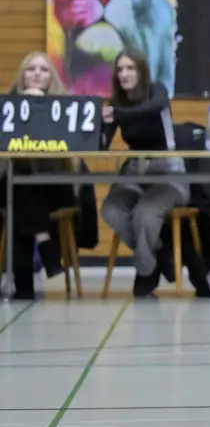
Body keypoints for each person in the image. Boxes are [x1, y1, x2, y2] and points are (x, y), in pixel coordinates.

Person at [99, 50, 187, 298]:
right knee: (111, 210)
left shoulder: (156, 91)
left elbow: (154, 108)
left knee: (144, 213)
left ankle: (146, 270)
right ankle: (160, 252)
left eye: (130, 68)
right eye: (120, 70)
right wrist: (98, 124)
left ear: (141, 71)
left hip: (167, 172)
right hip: (135, 171)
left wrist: (116, 113)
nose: (124, 74)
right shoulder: (117, 104)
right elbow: (102, 144)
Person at [2, 53, 84, 300]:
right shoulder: (6, 108)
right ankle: (45, 241)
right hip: (11, 185)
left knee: (22, 188)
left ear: (52, 78)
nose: (37, 73)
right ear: (22, 76)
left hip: (53, 184)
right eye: (31, 69)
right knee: (19, 177)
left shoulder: (67, 108)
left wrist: (41, 113)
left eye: (43, 70)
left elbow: (69, 161)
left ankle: (24, 283)